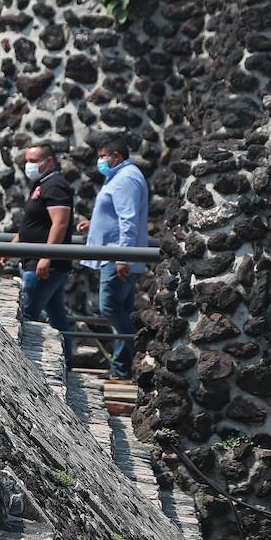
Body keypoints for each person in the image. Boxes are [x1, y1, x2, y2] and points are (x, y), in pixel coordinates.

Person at [77, 133, 148, 379]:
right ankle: (122, 369)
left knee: (109, 308)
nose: (100, 162)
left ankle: (142, 351)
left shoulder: (125, 179)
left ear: (116, 156)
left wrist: (123, 257)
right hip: (115, 254)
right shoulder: (119, 176)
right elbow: (116, 215)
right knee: (123, 311)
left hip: (115, 256)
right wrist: (94, 223)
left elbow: (128, 220)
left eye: (103, 157)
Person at [1, 143, 73, 369]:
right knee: (57, 317)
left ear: (49, 161)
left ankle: (26, 367)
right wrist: (13, 247)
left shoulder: (56, 186)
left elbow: (59, 223)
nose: (28, 165)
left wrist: (46, 256)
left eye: (33, 160)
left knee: (29, 314)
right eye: (27, 160)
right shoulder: (41, 184)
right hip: (35, 261)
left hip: (43, 266)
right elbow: (32, 224)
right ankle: (67, 363)